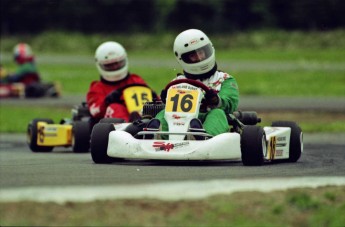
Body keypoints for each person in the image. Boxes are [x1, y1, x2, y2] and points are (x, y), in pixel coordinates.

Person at [147, 29, 239, 139]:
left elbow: (231, 102)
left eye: (201, 52)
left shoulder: (224, 79)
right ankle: (156, 135)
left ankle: (202, 136)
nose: (199, 58)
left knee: (218, 113)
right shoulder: (177, 81)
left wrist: (216, 100)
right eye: (193, 56)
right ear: (182, 58)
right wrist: (165, 99)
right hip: (180, 121)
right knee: (163, 113)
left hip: (208, 117)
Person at [87, 41, 158, 123]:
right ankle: (131, 127)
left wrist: (154, 95)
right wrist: (108, 101)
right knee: (115, 107)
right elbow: (95, 112)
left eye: (117, 63)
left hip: (141, 116)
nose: (115, 67)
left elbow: (151, 99)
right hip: (111, 126)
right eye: (109, 65)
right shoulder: (97, 88)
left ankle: (145, 124)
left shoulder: (135, 79)